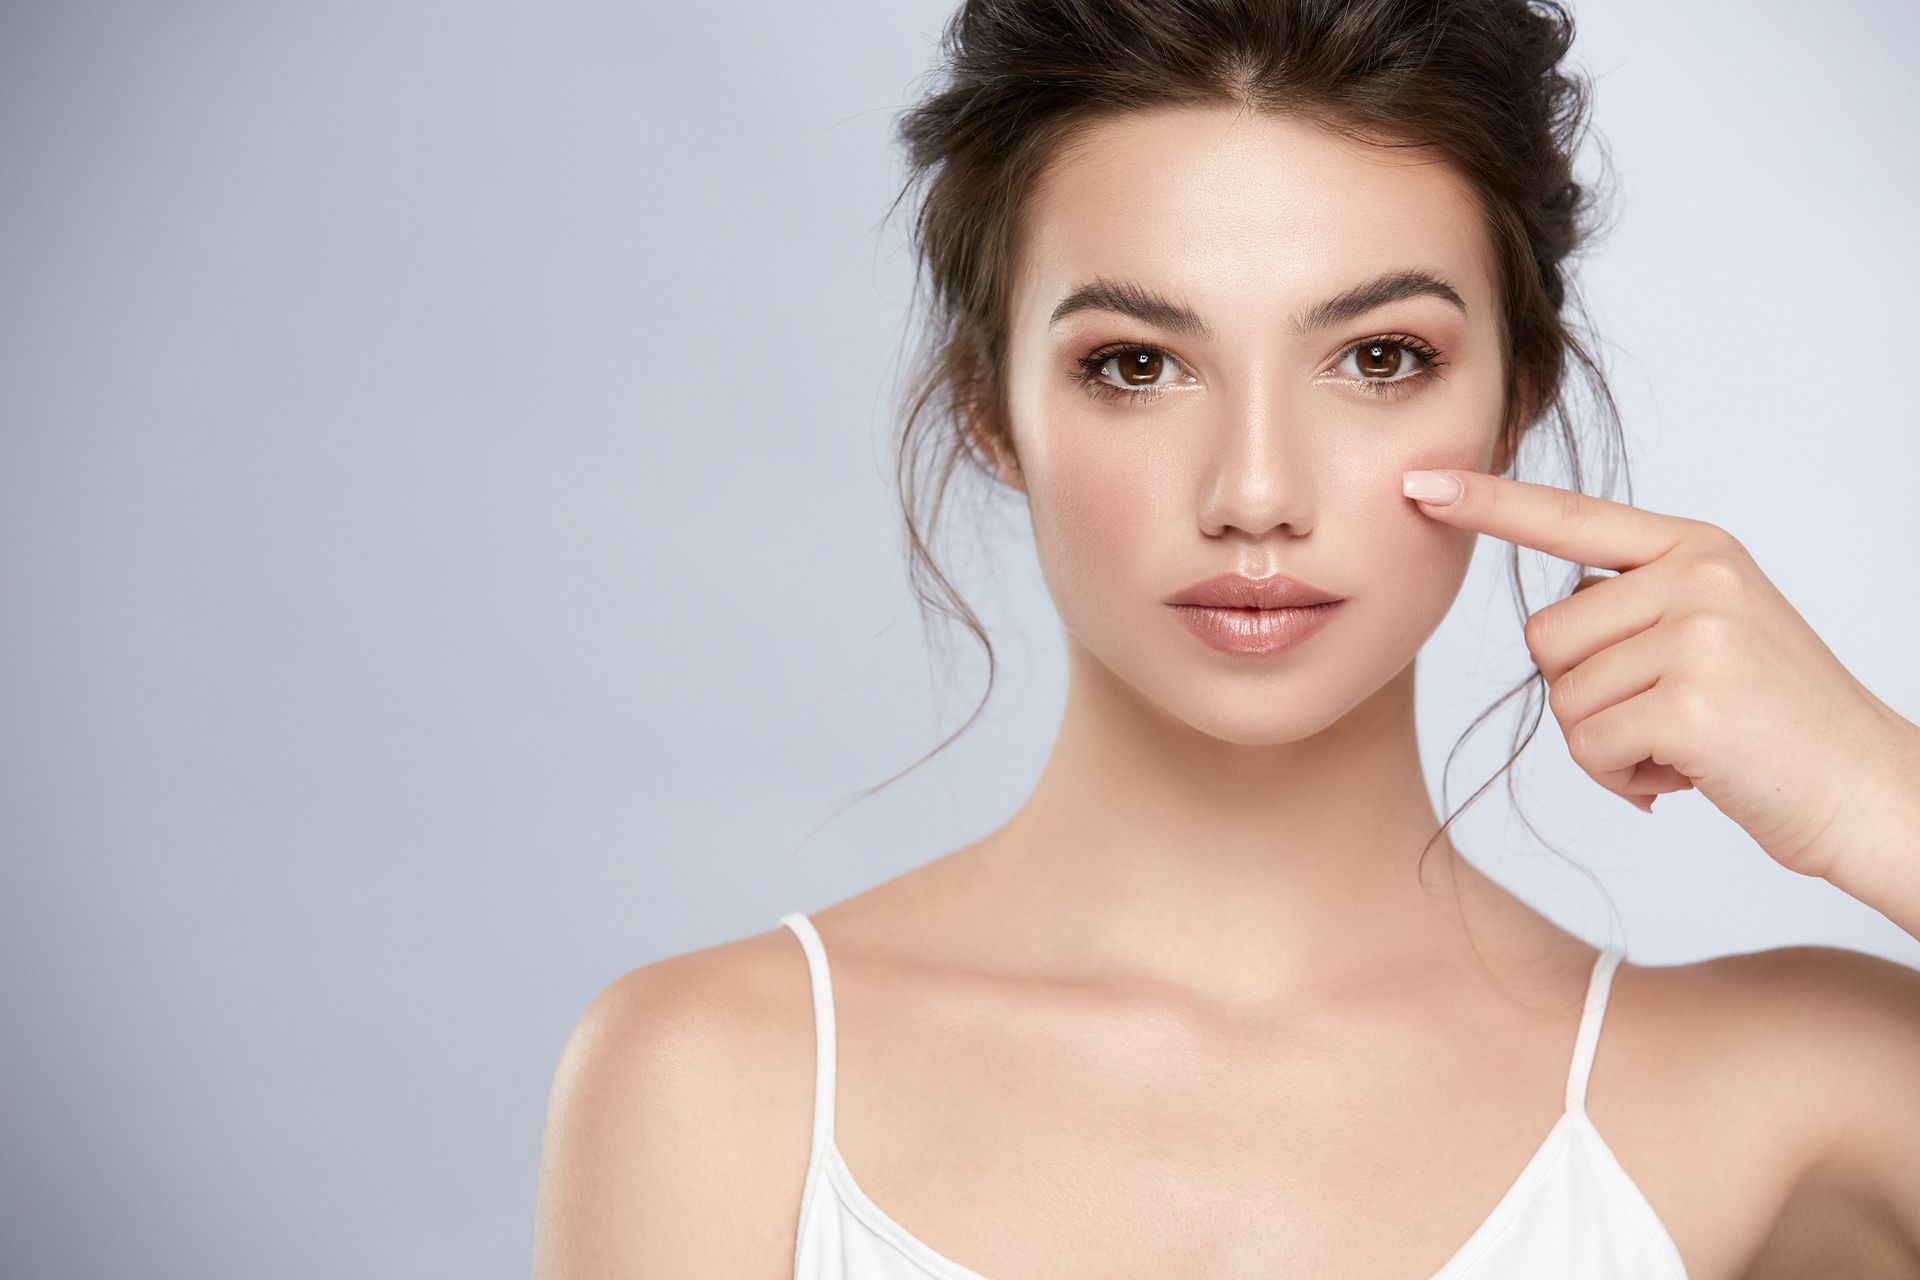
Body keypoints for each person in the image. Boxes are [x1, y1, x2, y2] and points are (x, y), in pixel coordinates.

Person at [533, 1, 1920, 1275]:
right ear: (991, 408)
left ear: (1517, 396)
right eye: (1137, 365)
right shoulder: (717, 1084)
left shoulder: (1809, 1097)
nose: (1255, 493)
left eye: (1379, 357)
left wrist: (1882, 799)